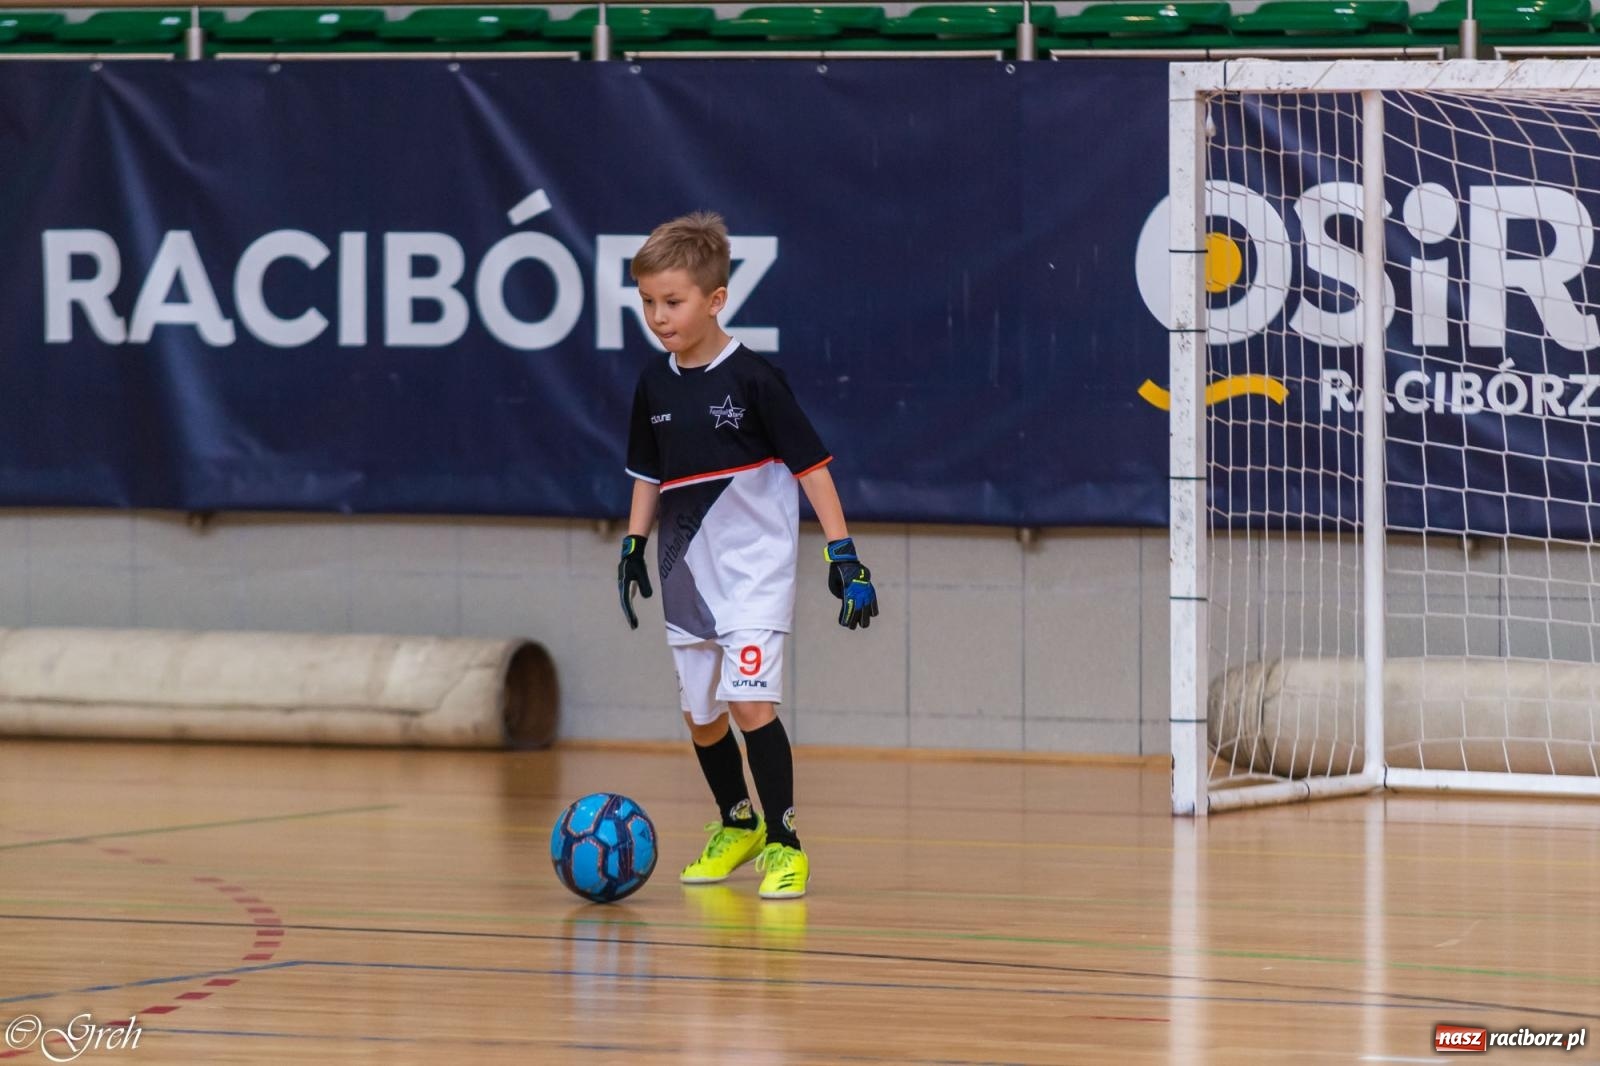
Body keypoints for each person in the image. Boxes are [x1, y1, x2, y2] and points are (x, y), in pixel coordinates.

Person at [615, 211, 878, 900]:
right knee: (701, 715)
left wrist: (844, 558)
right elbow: (647, 474)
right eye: (647, 302)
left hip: (754, 573)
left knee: (749, 703)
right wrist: (634, 545)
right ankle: (737, 823)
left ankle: (786, 843)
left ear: (715, 299)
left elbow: (813, 469)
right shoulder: (653, 383)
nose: (658, 316)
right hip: (684, 571)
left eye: (672, 302)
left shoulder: (756, 380)